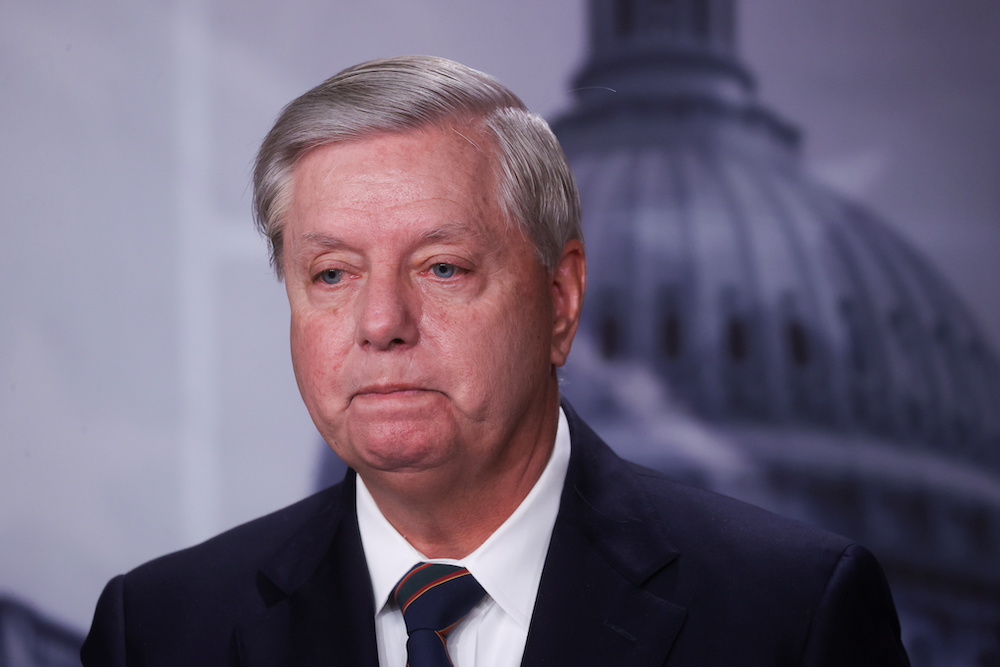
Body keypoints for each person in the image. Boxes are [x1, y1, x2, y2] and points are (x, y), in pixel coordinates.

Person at [81, 55, 909, 666]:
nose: (382, 323)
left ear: (561, 300)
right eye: (332, 274)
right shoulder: (156, 631)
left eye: (443, 267)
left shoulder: (792, 618)